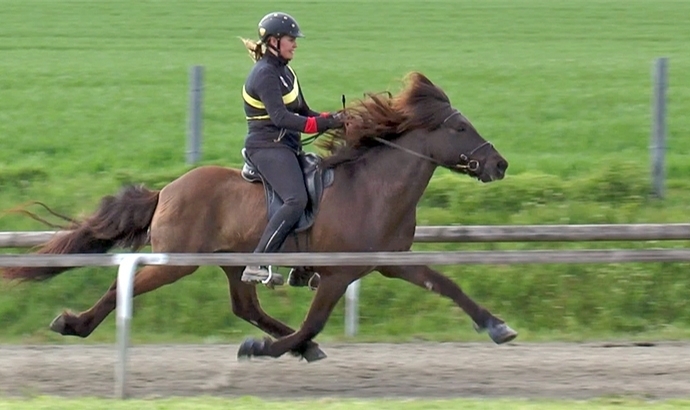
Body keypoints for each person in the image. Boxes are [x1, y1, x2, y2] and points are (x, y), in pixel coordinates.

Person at [239, 12, 343, 284]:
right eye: (290, 39)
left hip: (285, 147)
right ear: (273, 41)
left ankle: (302, 268)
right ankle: (258, 262)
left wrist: (336, 120)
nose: (295, 44)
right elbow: (281, 118)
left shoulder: (286, 71)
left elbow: (305, 111)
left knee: (321, 188)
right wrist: (323, 124)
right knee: (296, 199)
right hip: (266, 148)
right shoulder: (264, 75)